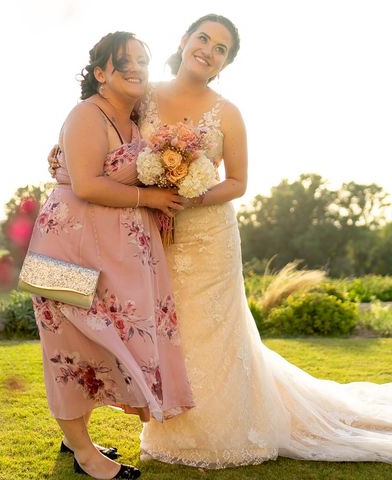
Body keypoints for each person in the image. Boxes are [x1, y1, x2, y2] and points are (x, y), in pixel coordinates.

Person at [137, 13, 392, 469]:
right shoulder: (145, 97)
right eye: (203, 38)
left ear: (225, 63)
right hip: (155, 233)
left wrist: (185, 198)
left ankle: (221, 430)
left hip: (209, 234)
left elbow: (237, 182)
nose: (208, 50)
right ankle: (170, 422)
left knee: (213, 331)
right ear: (183, 40)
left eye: (221, 49)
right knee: (168, 330)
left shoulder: (227, 112)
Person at [27, 32, 194, 479]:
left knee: (101, 344)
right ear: (101, 73)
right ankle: (85, 457)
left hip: (104, 254)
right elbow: (85, 185)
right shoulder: (86, 115)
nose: (137, 67)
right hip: (64, 250)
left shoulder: (136, 122)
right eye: (125, 62)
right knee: (69, 347)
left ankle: (74, 438)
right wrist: (150, 198)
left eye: (143, 59)